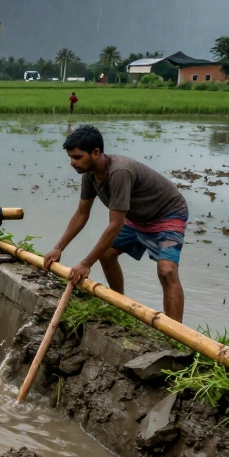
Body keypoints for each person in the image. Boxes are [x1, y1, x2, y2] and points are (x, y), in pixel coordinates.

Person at [42, 125, 188, 322]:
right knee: (107, 255)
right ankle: (120, 307)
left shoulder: (119, 172)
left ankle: (177, 335)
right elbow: (81, 213)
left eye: (77, 157)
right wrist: (58, 248)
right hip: (136, 217)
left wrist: (86, 264)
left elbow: (116, 224)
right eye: (70, 157)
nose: (72, 163)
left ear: (95, 153)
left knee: (167, 271)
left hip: (166, 214)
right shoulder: (90, 176)